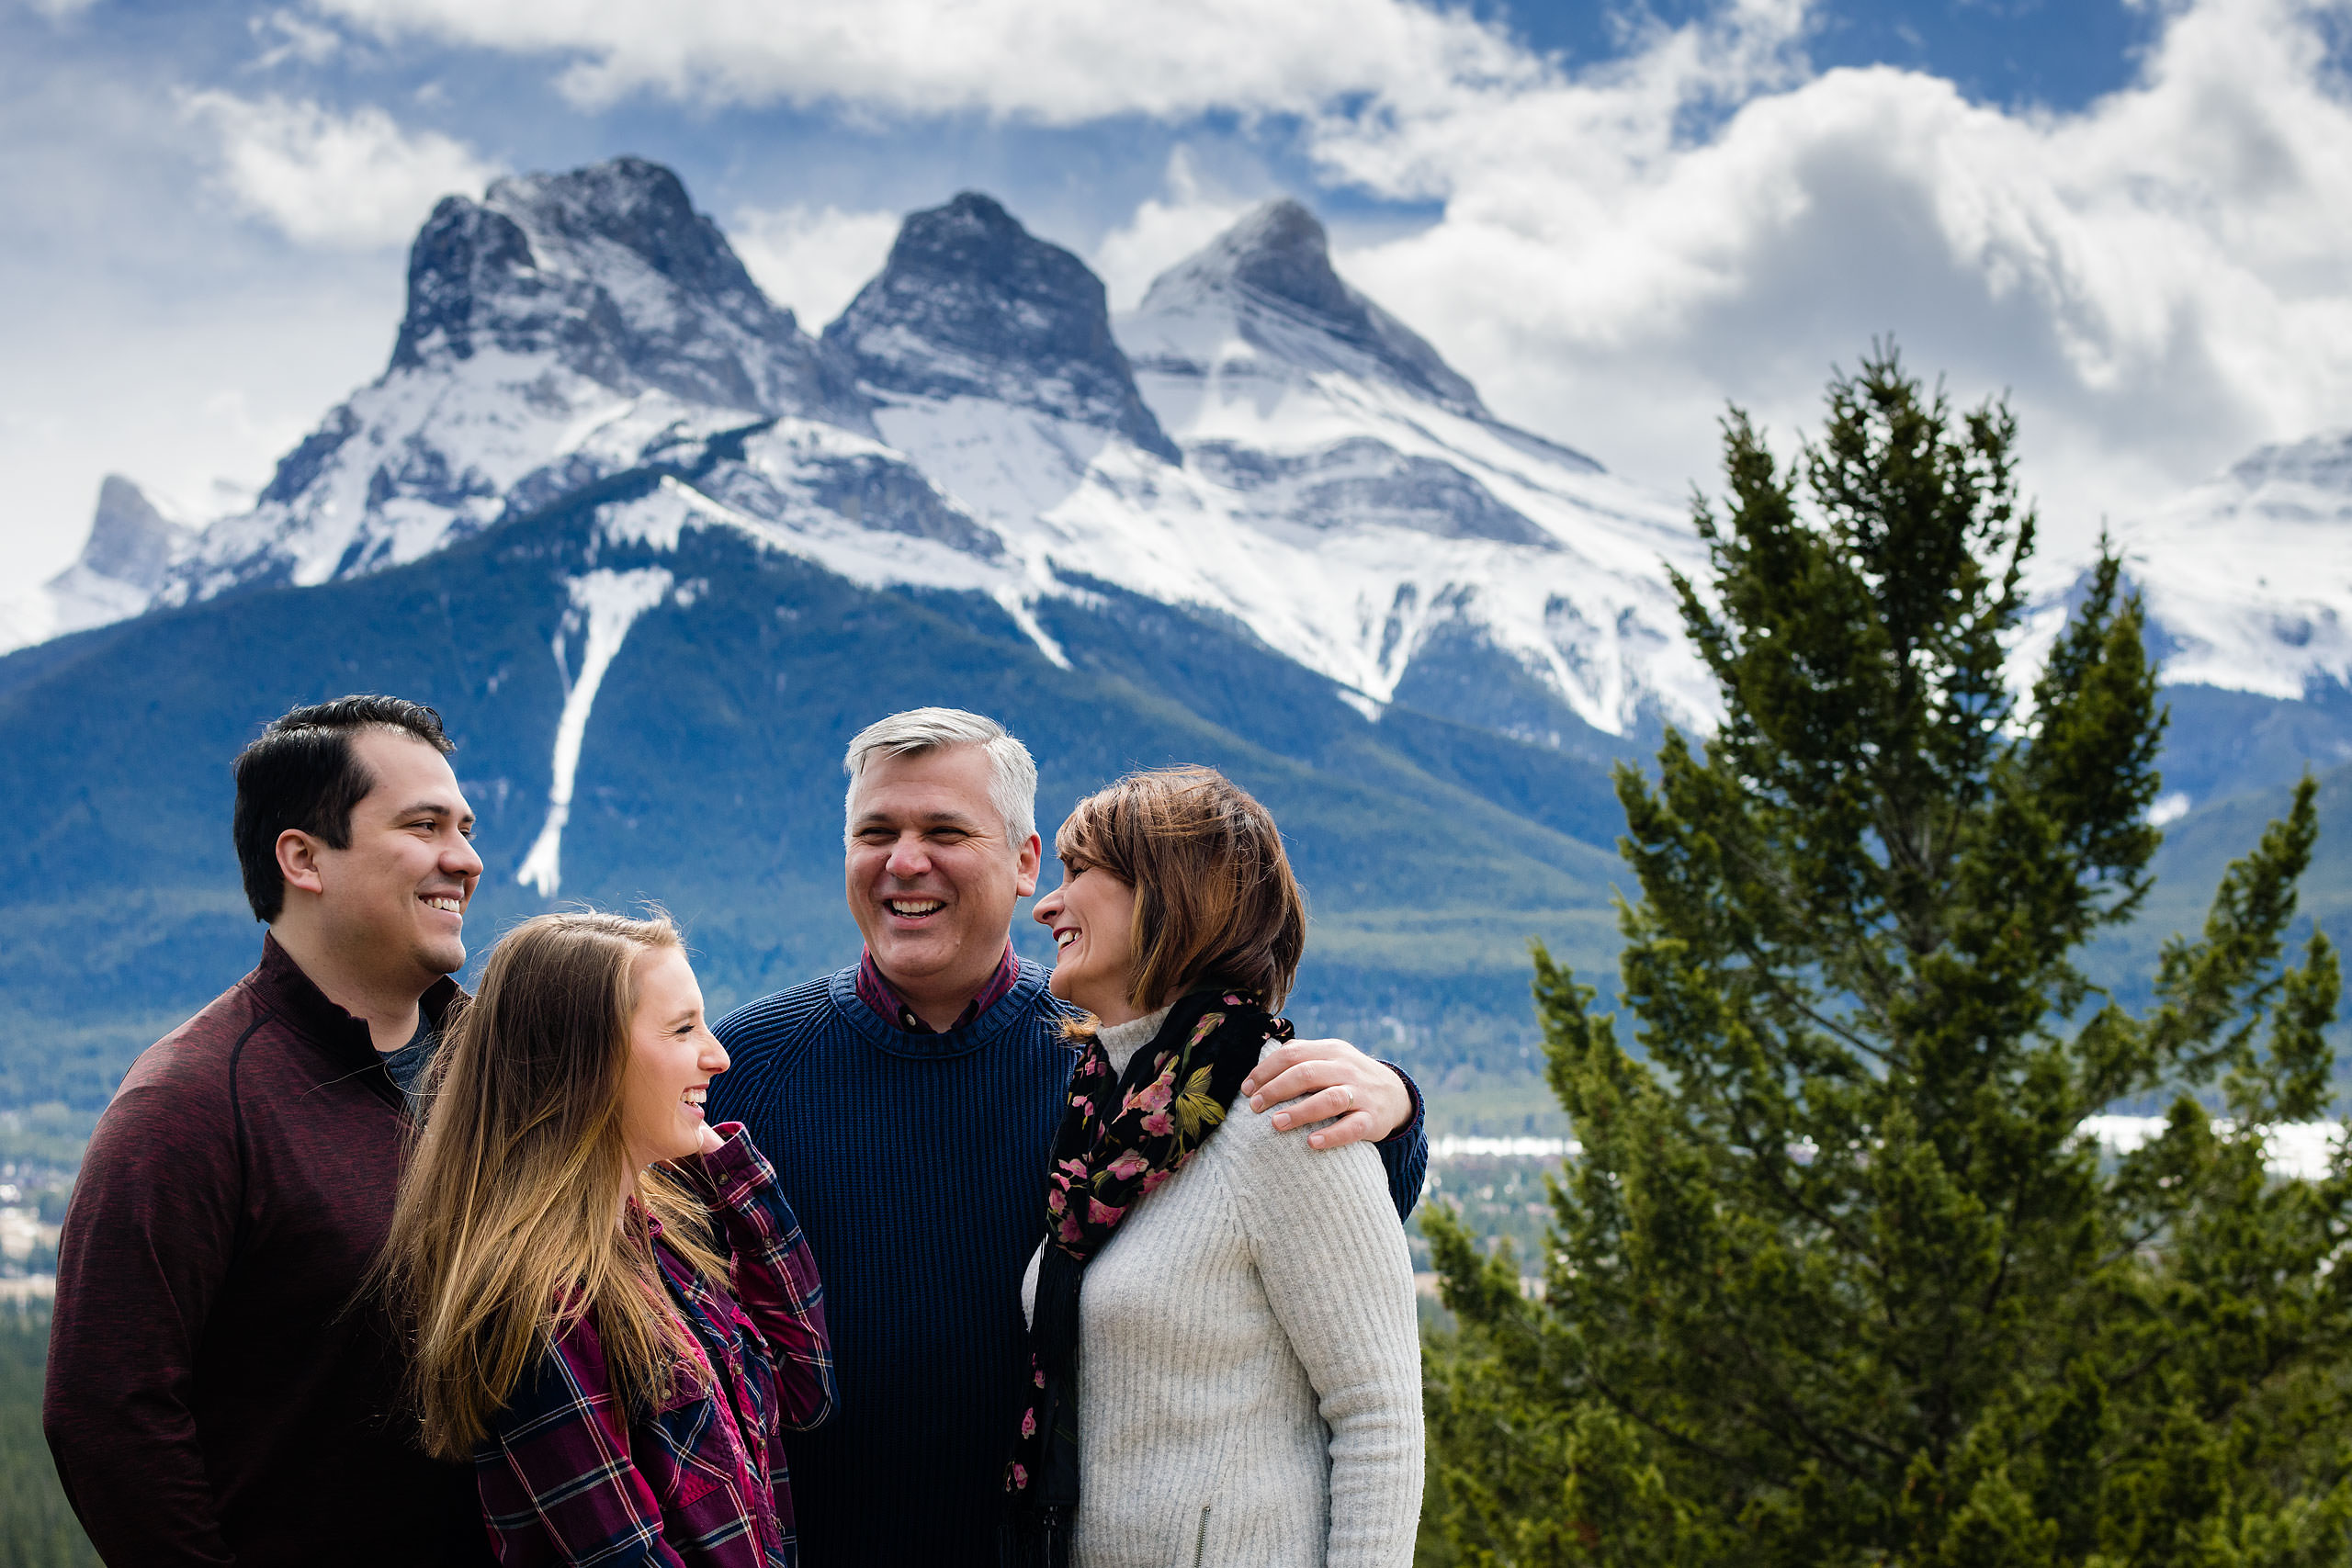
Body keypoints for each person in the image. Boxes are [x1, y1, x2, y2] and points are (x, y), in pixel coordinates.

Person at [709, 707, 1430, 1565]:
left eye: (944, 829)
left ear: (1023, 862)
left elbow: (1314, 1210)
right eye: (876, 831)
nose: (905, 860)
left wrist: (1397, 1107)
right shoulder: (743, 1066)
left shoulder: (1122, 1070)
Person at [44, 694, 493, 1566]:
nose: (465, 858)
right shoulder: (189, 1108)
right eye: (425, 824)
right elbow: (107, 1413)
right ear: (303, 858)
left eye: (465, 827)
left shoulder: (511, 1073)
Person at [1007, 765, 1421, 1568]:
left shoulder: (1276, 1109)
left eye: (1079, 871)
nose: (1047, 903)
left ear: (1170, 891)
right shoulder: (1103, 1116)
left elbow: (1378, 1415)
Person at [379, 910, 835, 1567]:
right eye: (683, 1029)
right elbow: (625, 1555)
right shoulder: (538, 1300)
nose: (718, 1054)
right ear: (586, 1060)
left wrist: (736, 1177)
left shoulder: (665, 1246)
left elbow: (807, 1391)